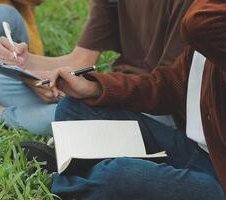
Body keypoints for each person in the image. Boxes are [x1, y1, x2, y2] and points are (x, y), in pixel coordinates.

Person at [38, 0, 225, 198]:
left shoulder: (207, 18)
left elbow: (196, 24)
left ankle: (65, 176)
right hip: (195, 150)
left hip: (219, 180)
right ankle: (82, 170)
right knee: (73, 108)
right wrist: (92, 88)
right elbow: (168, 86)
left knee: (120, 173)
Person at [0, 0, 193, 135]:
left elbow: (167, 89)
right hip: (113, 89)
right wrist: (24, 65)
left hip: (158, 106)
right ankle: (58, 118)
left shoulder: (190, 6)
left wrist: (93, 90)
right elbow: (79, 61)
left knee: (70, 110)